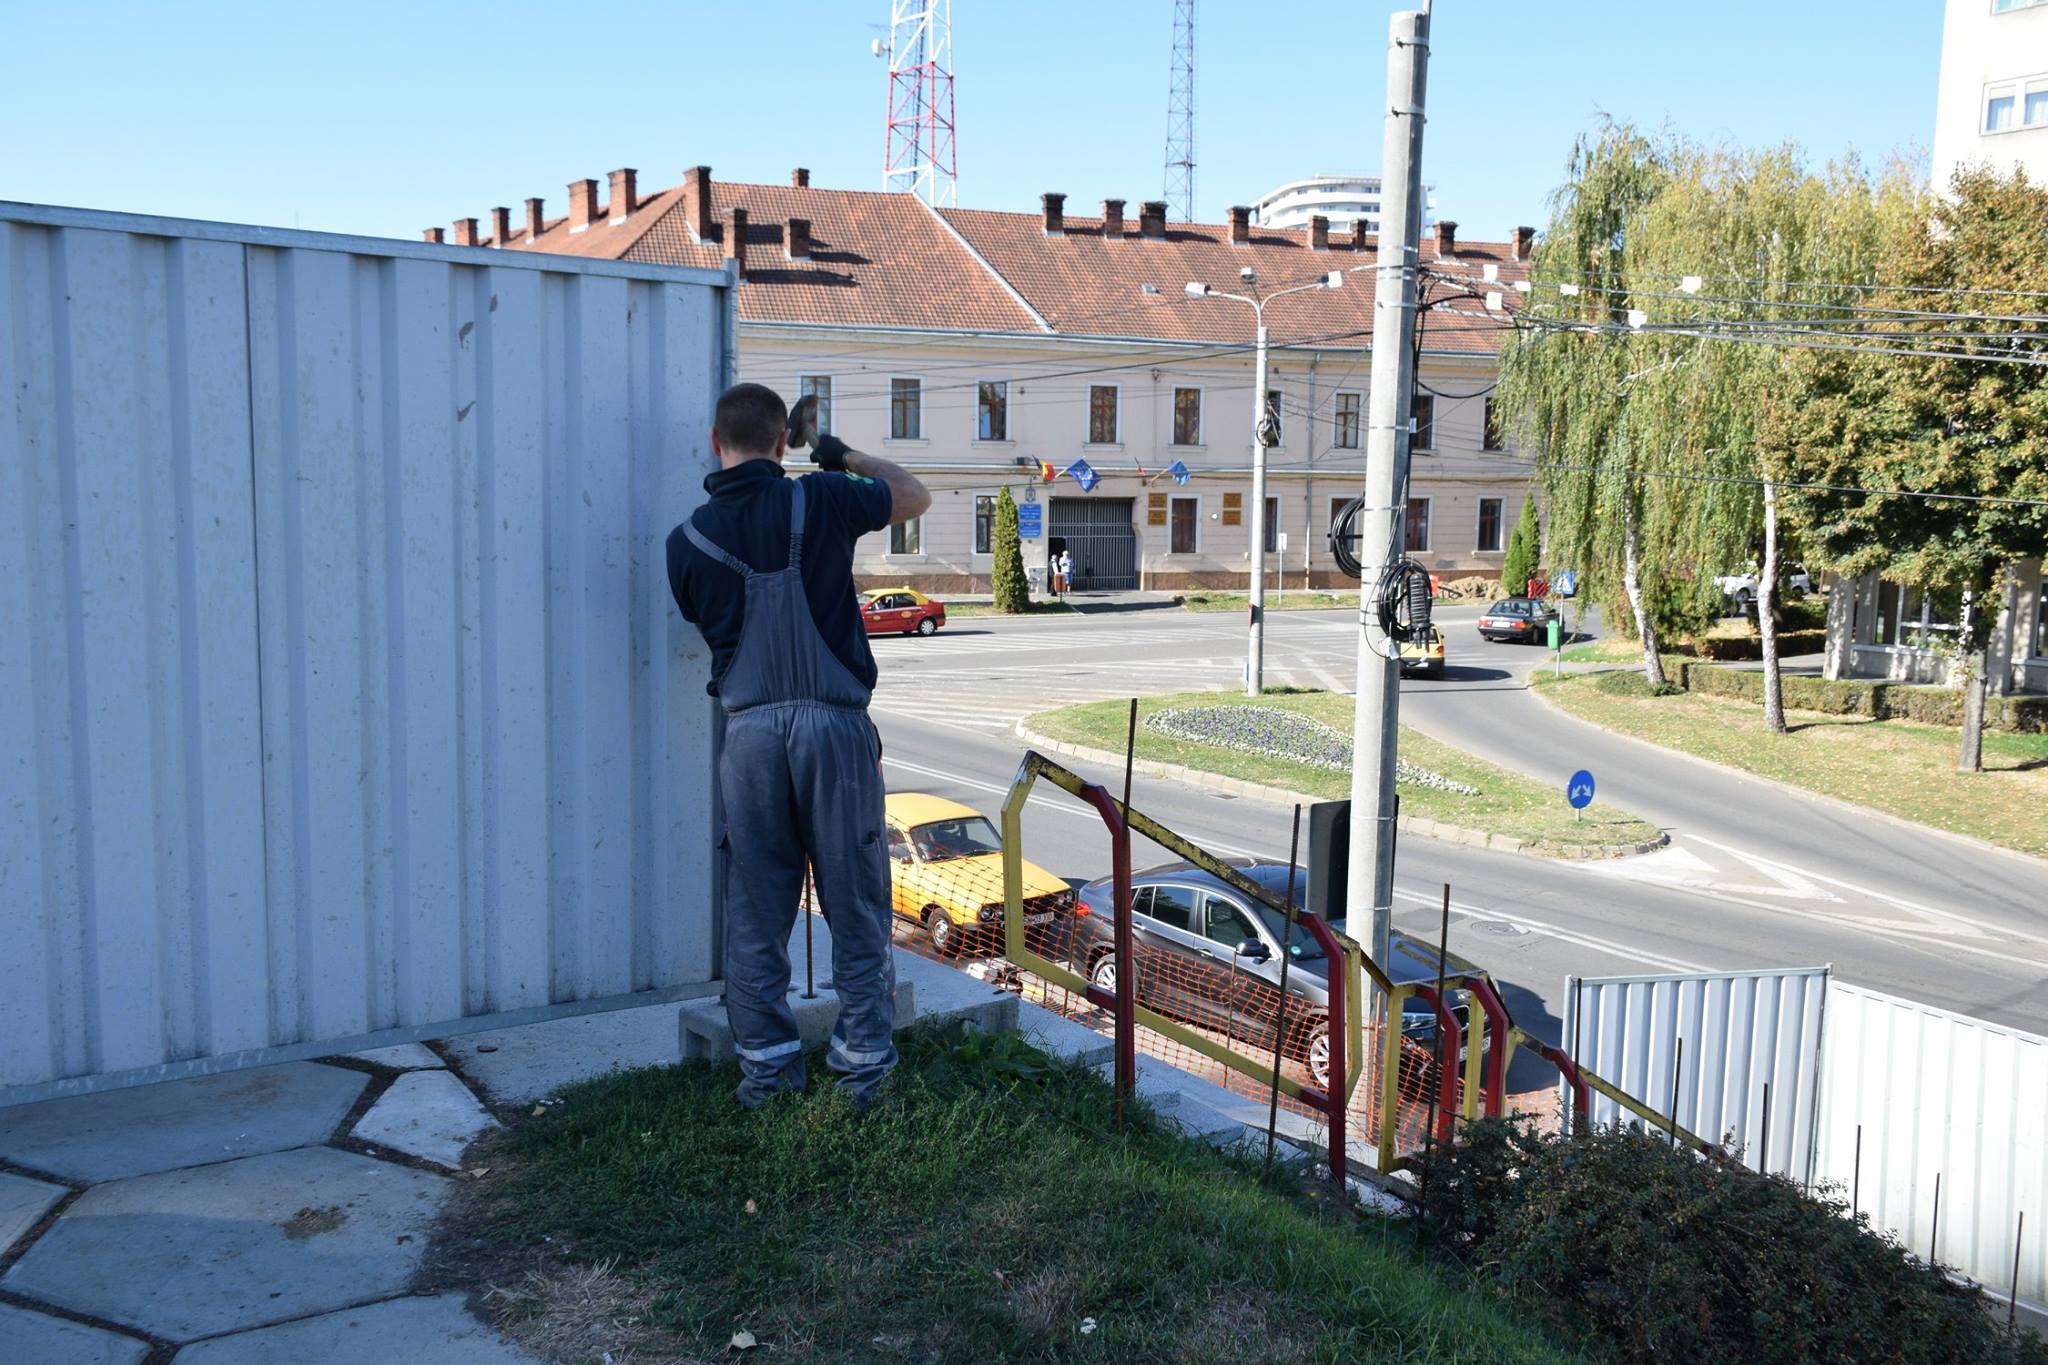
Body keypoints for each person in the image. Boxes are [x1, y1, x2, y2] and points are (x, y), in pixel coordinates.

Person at [666, 383, 931, 1108]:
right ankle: (863, 1071)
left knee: (757, 910)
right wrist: (843, 455)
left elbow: (706, 622)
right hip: (835, 731)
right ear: (784, 442)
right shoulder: (823, 496)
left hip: (749, 738)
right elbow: (914, 496)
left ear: (714, 442)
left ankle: (769, 1074)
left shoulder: (685, 542)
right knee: (857, 902)